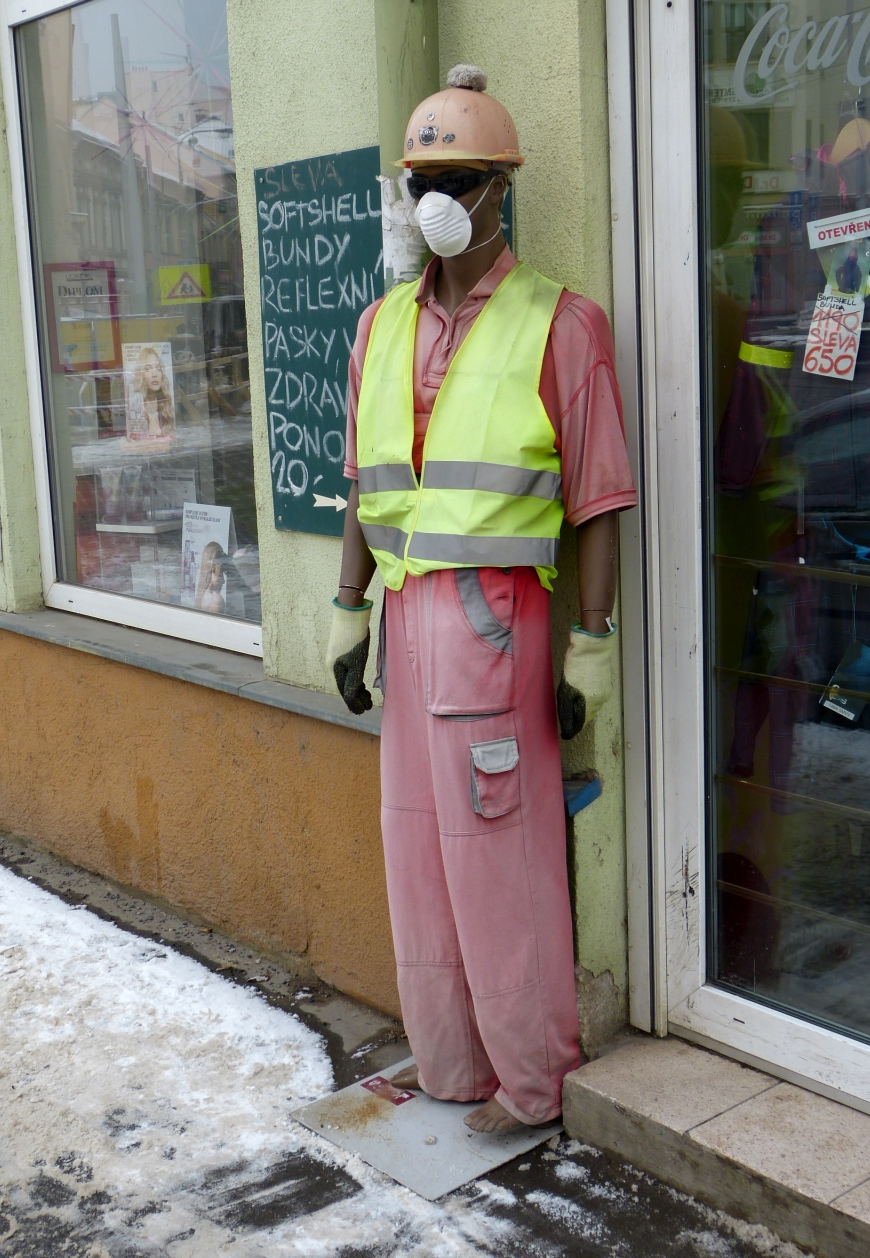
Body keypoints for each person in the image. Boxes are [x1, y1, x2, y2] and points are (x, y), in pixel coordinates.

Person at [325, 65, 637, 1134]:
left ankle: (531, 1080)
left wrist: (589, 648)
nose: (437, 200)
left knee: (501, 862)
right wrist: (348, 610)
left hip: (496, 623)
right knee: (416, 854)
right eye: (422, 181)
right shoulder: (379, 327)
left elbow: (600, 498)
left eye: (457, 180)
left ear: (502, 186)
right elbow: (364, 485)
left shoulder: (561, 323)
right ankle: (451, 1061)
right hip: (406, 621)